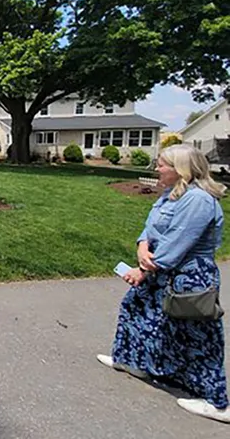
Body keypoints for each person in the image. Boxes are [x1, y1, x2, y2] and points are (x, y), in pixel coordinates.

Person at [98, 144, 229, 423]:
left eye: (161, 164)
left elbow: (178, 242)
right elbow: (151, 226)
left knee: (197, 334)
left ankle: (216, 402)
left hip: (189, 277)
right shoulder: (172, 194)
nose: (156, 168)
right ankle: (133, 361)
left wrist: (143, 270)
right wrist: (142, 246)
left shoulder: (198, 200)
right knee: (136, 309)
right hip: (160, 270)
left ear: (180, 169)